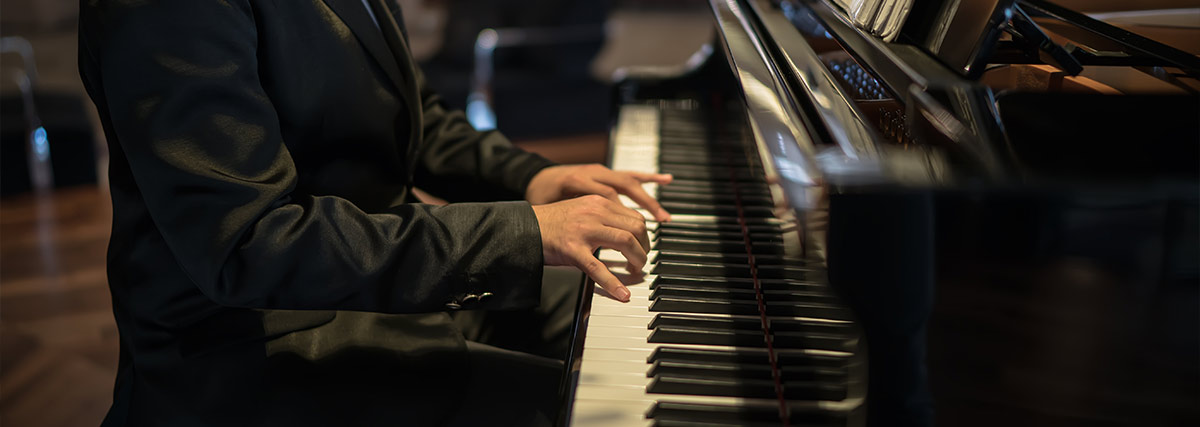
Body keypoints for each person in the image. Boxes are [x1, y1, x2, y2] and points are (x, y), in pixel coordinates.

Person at [77, 0, 670, 425]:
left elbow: (412, 112)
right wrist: (521, 232)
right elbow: (250, 243)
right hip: (257, 340)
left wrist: (531, 177)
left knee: (650, 314)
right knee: (610, 401)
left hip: (377, 281)